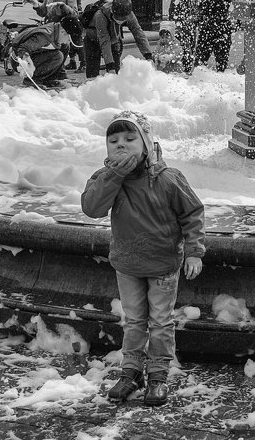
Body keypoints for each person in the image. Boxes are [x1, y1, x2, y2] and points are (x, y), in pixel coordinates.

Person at [81, 111, 204, 406]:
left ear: (147, 143)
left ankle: (158, 375)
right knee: (135, 321)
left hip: (162, 265)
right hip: (127, 265)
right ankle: (131, 372)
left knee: (160, 322)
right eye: (114, 141)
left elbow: (192, 213)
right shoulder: (107, 178)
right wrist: (114, 174)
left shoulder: (167, 178)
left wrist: (194, 251)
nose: (121, 145)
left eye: (130, 138)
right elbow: (92, 207)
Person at [85, 0, 153, 77]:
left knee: (116, 72)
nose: (121, 20)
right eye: (118, 17)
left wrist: (148, 56)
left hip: (114, 40)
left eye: (124, 18)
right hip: (93, 40)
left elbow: (138, 33)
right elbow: (104, 40)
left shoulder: (129, 14)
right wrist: (110, 66)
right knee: (93, 72)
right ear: (113, 12)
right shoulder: (100, 15)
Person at [193, 0, 240, 72]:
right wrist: (195, 18)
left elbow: (240, 4)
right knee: (198, 65)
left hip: (221, 31)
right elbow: (200, 10)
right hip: (206, 30)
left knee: (221, 66)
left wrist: (236, 22)